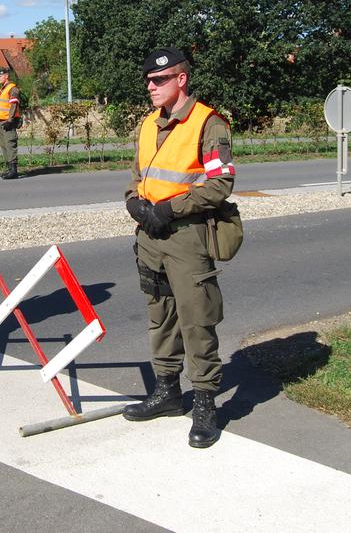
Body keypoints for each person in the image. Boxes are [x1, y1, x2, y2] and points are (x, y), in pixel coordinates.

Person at [122, 48, 236, 449]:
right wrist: (134, 203)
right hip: (150, 234)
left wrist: (170, 208)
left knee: (196, 319)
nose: (151, 87)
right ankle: (167, 391)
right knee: (161, 314)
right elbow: (138, 176)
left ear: (181, 80)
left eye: (160, 80)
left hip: (186, 235)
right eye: (149, 81)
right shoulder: (149, 124)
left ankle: (205, 402)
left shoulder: (208, 123)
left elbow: (220, 184)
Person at [0, 67, 22, 180]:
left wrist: (10, 121)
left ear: (6, 76)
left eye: (0, 76)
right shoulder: (1, 90)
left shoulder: (13, 89)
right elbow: (0, 107)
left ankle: (14, 170)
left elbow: (13, 105)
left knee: (10, 144)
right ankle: (9, 169)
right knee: (4, 146)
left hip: (8, 122)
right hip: (1, 122)